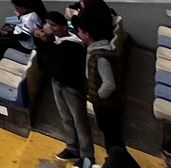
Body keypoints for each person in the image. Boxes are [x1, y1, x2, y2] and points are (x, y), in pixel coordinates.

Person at [34, 12, 92, 164]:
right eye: (47, 24)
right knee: (66, 118)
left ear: (63, 27)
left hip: (72, 86)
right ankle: (72, 148)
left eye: (53, 25)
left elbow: (60, 65)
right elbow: (46, 58)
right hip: (57, 83)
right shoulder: (55, 41)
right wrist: (40, 40)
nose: (49, 28)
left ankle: (87, 156)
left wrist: (47, 42)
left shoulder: (73, 45)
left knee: (80, 121)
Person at [78, 16, 123, 154]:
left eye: (80, 32)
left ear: (87, 34)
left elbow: (109, 85)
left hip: (105, 105)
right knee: (111, 136)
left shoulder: (101, 57)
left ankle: (117, 159)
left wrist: (97, 96)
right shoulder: (95, 51)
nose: (78, 34)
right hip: (103, 103)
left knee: (112, 138)